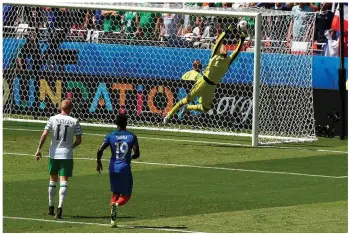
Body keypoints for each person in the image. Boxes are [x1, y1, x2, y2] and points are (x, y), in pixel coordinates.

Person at [163, 25, 247, 124]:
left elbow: (237, 51)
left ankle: (188, 108)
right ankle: (169, 115)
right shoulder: (215, 55)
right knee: (186, 99)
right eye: (222, 47)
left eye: (225, 47)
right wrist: (227, 30)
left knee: (205, 108)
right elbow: (220, 40)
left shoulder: (228, 60)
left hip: (212, 87)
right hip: (203, 82)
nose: (224, 47)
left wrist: (242, 38)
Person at [35, 99, 82, 219]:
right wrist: (71, 147)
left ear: (60, 107)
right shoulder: (74, 121)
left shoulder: (52, 119)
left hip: (54, 154)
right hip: (66, 155)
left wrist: (38, 149)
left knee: (52, 180)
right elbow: (79, 140)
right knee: (64, 181)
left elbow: (44, 134)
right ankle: (60, 208)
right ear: (71, 108)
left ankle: (50, 207)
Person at [96, 114, 140, 227]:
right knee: (126, 195)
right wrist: (131, 157)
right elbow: (137, 153)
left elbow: (100, 150)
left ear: (116, 123)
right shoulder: (132, 136)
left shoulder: (110, 135)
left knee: (115, 193)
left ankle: (113, 221)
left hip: (112, 167)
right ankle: (116, 205)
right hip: (124, 168)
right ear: (126, 123)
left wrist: (98, 162)